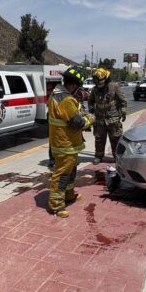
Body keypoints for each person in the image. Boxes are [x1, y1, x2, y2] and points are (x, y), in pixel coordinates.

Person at [48, 67, 93, 218]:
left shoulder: (58, 95)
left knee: (70, 172)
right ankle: (56, 205)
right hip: (65, 145)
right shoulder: (66, 99)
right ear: (73, 85)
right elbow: (77, 123)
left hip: (66, 143)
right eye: (78, 86)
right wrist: (90, 119)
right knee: (62, 174)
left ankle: (68, 195)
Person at [88, 67, 126, 165]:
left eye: (100, 83)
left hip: (113, 118)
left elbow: (122, 100)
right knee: (99, 138)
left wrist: (123, 112)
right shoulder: (95, 89)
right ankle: (98, 156)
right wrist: (91, 110)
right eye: (97, 83)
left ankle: (117, 156)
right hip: (99, 119)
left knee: (115, 138)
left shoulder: (114, 87)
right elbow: (90, 101)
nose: (99, 85)